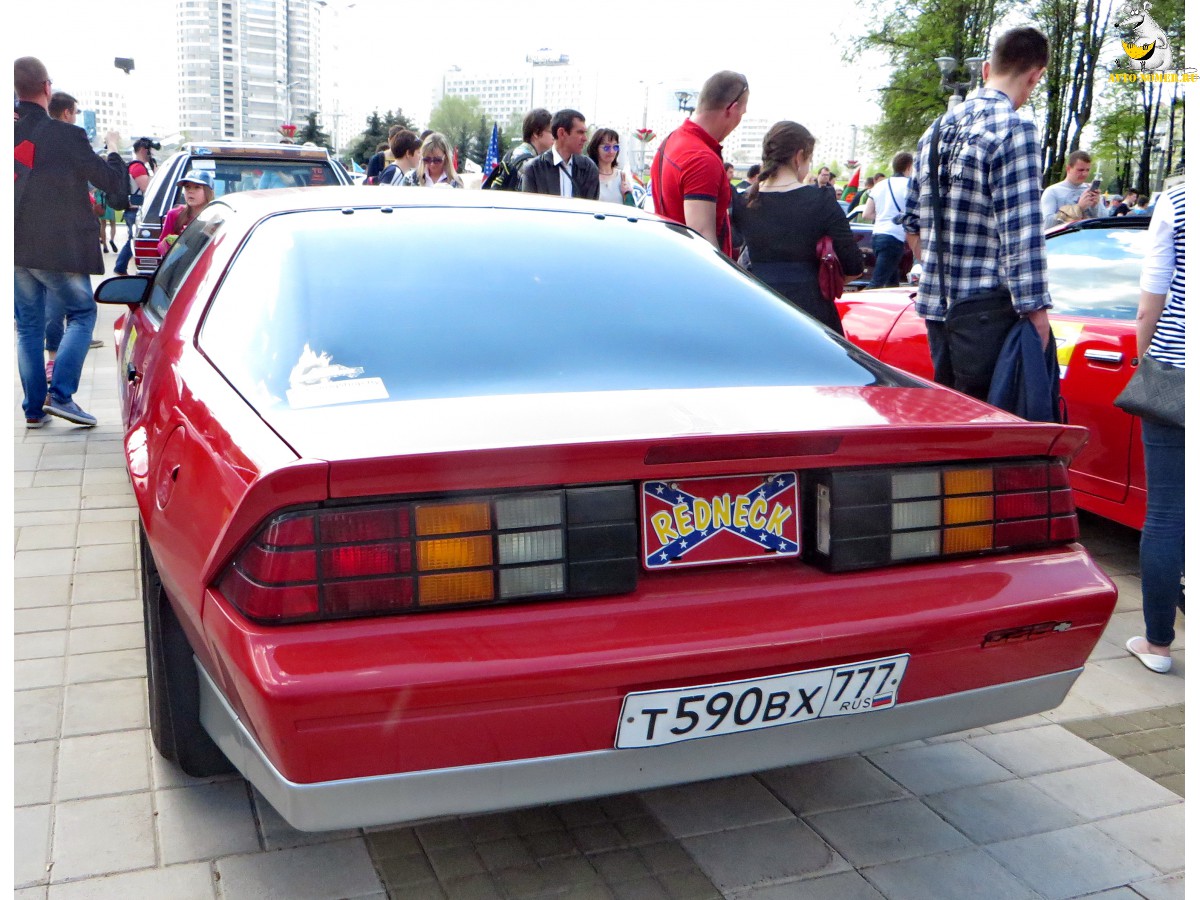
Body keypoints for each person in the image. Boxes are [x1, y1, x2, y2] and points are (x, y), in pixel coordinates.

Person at [902, 26, 1053, 403]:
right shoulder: (1014, 128)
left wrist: (936, 264)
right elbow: (1022, 233)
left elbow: (912, 221)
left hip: (937, 309)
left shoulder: (936, 129)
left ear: (986, 70)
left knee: (953, 418)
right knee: (994, 423)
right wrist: (1036, 313)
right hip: (988, 313)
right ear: (1035, 76)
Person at [15, 56, 128, 428]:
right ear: (47, 87)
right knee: (82, 313)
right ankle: (61, 395)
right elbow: (110, 181)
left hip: (16, 247)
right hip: (60, 248)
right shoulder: (66, 135)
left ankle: (34, 409)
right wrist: (113, 148)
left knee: (28, 327)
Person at [1124, 183, 1185, 674]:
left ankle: (1158, 645)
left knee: (1166, 514)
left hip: (1178, 374)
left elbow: (1150, 305)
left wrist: (1145, 360)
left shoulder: (1179, 203)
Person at [731, 121, 864, 334]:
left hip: (757, 307)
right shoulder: (821, 200)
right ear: (799, 156)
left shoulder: (744, 202)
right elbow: (853, 266)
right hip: (810, 311)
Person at [650, 71, 748, 257]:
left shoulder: (672, 140)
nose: (739, 120)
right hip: (690, 268)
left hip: (670, 258)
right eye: (742, 113)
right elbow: (702, 239)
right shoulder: (701, 158)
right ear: (732, 108)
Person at [519, 109, 599, 199]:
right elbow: (530, 205)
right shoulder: (534, 168)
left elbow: (591, 205)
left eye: (585, 133)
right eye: (580, 132)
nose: (585, 138)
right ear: (561, 133)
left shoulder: (588, 168)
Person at [862, 151, 914, 287]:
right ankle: (860, 300)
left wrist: (884, 216)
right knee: (876, 283)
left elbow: (866, 214)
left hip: (877, 236)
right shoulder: (910, 185)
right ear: (909, 167)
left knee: (892, 282)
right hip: (894, 238)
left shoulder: (879, 185)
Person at [114, 136, 157, 275]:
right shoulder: (138, 167)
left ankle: (120, 266)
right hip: (135, 210)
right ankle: (120, 266)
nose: (152, 153)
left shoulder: (135, 166)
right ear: (144, 150)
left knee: (132, 238)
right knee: (134, 239)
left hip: (131, 209)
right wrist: (156, 173)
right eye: (150, 150)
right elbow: (147, 188)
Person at [485, 108, 552, 191]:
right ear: (536, 133)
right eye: (551, 132)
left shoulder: (512, 154)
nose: (554, 136)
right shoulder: (528, 162)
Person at [157, 170, 215, 256]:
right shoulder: (174, 214)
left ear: (209, 192)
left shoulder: (217, 217)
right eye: (187, 187)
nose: (190, 191)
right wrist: (171, 244)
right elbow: (160, 248)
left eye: (197, 187)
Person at [1039, 149, 1100, 229]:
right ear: (1068, 169)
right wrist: (1078, 208)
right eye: (1080, 170)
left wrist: (1095, 206)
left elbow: (1106, 220)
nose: (1085, 174)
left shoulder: (1091, 191)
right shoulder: (1052, 191)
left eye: (1087, 170)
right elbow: (1046, 223)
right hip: (1063, 236)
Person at [587, 128, 631, 204]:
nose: (611, 151)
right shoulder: (587, 176)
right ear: (595, 149)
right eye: (606, 147)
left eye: (615, 147)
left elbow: (631, 207)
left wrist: (627, 195)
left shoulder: (622, 177)